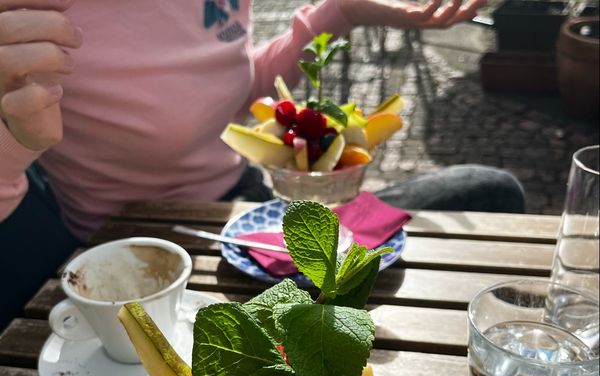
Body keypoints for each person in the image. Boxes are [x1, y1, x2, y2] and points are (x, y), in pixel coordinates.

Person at [0, 0, 523, 330]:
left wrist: (340, 13)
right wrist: (13, 137)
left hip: (247, 213)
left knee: (490, 189)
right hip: (142, 262)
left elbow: (237, 88)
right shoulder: (30, 19)